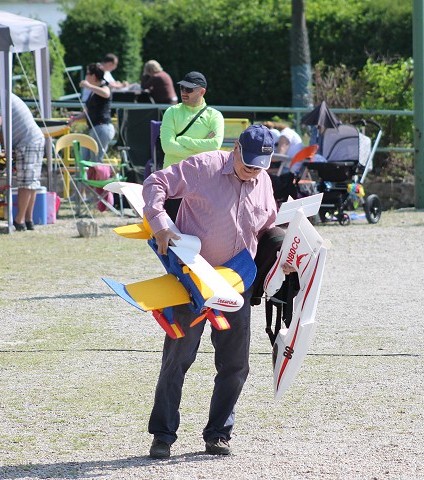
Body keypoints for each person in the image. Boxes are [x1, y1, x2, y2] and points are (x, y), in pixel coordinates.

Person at [142, 124, 279, 459]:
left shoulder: (263, 181)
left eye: (259, 168)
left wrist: (284, 259)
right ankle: (163, 435)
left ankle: (218, 433)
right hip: (191, 280)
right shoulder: (203, 166)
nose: (252, 173)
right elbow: (155, 183)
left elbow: (267, 229)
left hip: (236, 283)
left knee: (235, 364)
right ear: (235, 150)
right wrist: (160, 223)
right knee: (177, 359)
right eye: (247, 165)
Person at [0, 84, 45, 232]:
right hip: (33, 138)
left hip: (27, 140)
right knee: (31, 181)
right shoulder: (3, 94)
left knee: (26, 182)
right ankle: (27, 219)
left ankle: (19, 220)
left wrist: (0, 144)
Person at [159, 71, 224, 218]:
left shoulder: (214, 115)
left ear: (202, 91)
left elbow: (214, 146)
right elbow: (167, 147)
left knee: (201, 235)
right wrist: (201, 150)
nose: (183, 92)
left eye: (188, 89)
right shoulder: (171, 111)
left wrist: (182, 140)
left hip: (202, 184)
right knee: (171, 234)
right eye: (182, 88)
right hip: (173, 182)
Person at [68, 63, 115, 162]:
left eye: (87, 73)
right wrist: (75, 118)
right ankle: (83, 177)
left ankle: (99, 177)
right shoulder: (93, 92)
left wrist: (89, 86)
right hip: (94, 128)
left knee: (96, 160)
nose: (86, 76)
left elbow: (106, 94)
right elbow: (88, 113)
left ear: (93, 76)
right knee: (83, 158)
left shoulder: (104, 87)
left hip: (102, 127)